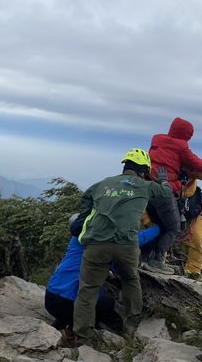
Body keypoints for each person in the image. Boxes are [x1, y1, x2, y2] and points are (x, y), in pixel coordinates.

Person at [70, 148, 173, 345]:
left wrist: (86, 216)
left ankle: (82, 337)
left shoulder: (102, 183)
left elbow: (86, 197)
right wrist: (162, 181)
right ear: (144, 170)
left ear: (125, 166)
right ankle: (132, 327)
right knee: (130, 280)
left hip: (96, 244)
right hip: (126, 244)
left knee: (88, 290)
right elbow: (166, 193)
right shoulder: (145, 185)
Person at [45, 214, 160, 334]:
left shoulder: (76, 241)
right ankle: (83, 333)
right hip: (67, 302)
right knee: (106, 304)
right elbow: (137, 239)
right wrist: (162, 227)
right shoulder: (102, 239)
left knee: (82, 294)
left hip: (50, 297)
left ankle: (60, 324)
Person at [143, 117, 202, 274]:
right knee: (169, 229)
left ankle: (191, 272)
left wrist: (188, 171)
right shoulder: (182, 149)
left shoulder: (157, 141)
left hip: (185, 202)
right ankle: (157, 262)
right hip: (171, 196)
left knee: (195, 238)